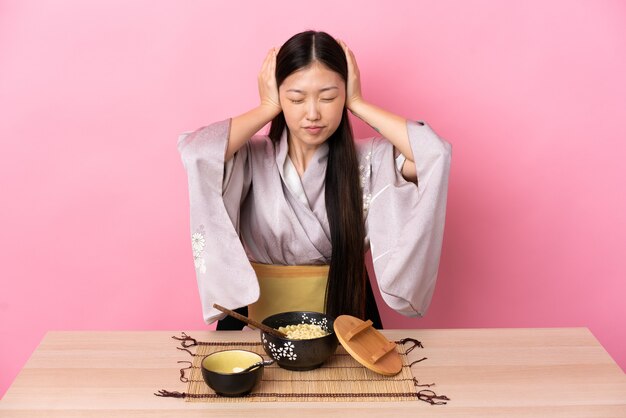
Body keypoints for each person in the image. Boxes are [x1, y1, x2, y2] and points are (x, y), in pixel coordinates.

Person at [178, 30, 451, 330]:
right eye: (296, 98)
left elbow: (432, 155)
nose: (312, 113)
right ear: (279, 95)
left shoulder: (368, 159)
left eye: (328, 97)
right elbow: (198, 153)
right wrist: (266, 109)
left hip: (346, 313)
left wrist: (358, 103)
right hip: (255, 318)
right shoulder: (248, 157)